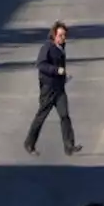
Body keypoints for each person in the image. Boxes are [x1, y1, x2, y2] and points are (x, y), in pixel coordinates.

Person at [24, 21, 82, 157]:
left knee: (65, 116)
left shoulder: (61, 47)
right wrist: (57, 70)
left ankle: (69, 146)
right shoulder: (47, 47)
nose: (63, 38)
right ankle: (29, 143)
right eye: (61, 35)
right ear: (54, 35)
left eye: (64, 35)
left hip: (59, 89)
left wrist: (64, 76)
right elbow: (41, 64)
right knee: (41, 116)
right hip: (48, 89)